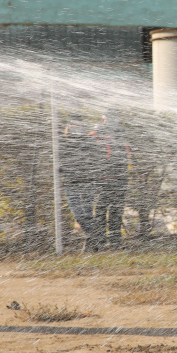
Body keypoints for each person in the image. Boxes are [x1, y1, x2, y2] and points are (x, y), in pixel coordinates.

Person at [60, 113, 103, 252]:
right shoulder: (62, 141)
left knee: (88, 214)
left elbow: (96, 158)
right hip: (70, 183)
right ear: (69, 126)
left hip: (87, 182)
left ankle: (91, 245)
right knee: (78, 214)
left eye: (79, 125)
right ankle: (94, 237)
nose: (76, 128)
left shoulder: (89, 141)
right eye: (73, 125)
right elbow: (58, 158)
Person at [91, 108, 130, 249]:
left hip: (120, 180)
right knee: (100, 212)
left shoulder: (120, 134)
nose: (114, 121)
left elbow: (125, 155)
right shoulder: (97, 133)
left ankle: (115, 243)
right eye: (110, 118)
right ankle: (98, 243)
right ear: (104, 119)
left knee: (116, 213)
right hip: (103, 179)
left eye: (116, 118)